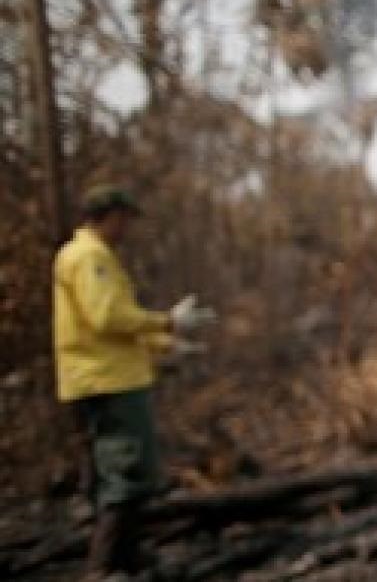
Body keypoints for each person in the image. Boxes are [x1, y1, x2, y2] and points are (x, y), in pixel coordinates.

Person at [53, 185, 217, 579]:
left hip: (105, 377)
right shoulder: (90, 257)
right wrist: (166, 322)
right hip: (107, 384)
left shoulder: (89, 255)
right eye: (124, 218)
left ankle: (128, 564)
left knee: (118, 478)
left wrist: (166, 345)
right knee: (124, 479)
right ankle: (103, 570)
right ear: (107, 215)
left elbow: (111, 327)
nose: (127, 227)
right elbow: (107, 317)